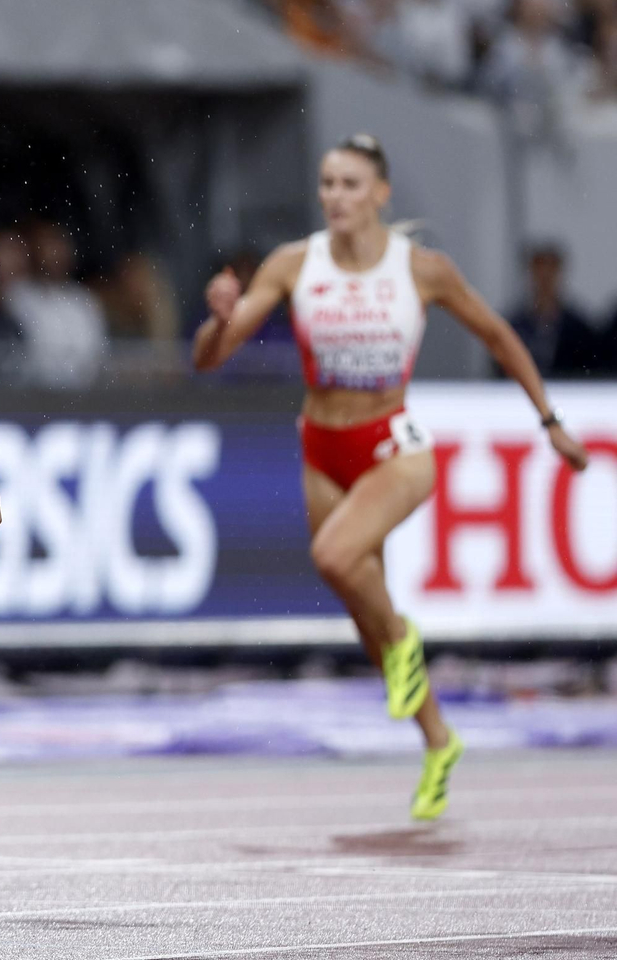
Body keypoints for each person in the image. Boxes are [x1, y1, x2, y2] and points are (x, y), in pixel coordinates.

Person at [193, 134, 588, 821]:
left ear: (381, 194)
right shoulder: (294, 264)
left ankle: (406, 642)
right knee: (363, 611)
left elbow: (496, 334)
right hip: (322, 446)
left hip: (392, 448)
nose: (335, 197)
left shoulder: (421, 269)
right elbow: (209, 359)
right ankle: (439, 740)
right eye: (327, 183)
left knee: (335, 559)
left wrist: (549, 418)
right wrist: (219, 320)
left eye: (350, 184)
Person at [504, 243, 606, 378]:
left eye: (550, 272)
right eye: (539, 272)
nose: (544, 279)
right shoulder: (513, 326)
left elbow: (590, 372)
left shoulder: (580, 330)